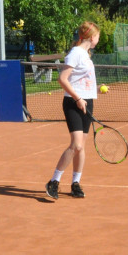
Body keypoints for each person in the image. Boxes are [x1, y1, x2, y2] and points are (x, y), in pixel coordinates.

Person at [45, 22, 100, 201]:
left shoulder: (86, 55)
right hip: (73, 103)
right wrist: (78, 98)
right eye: (98, 36)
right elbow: (62, 79)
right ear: (92, 37)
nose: (98, 39)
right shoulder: (75, 53)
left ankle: (75, 183)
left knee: (81, 147)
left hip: (87, 102)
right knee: (76, 145)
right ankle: (54, 181)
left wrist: (93, 91)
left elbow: (82, 79)